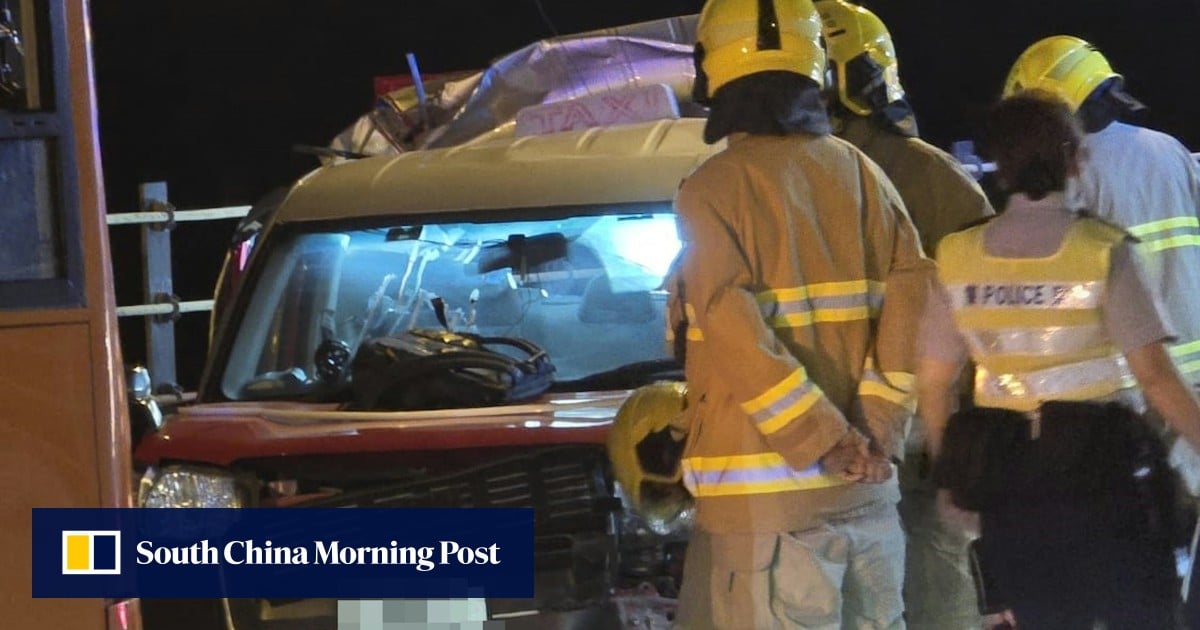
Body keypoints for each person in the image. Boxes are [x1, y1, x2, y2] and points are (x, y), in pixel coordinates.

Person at [667, 0, 934, 627]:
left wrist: (828, 441)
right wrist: (876, 436)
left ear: (714, 70)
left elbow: (732, 328)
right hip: (868, 494)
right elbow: (913, 305)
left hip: (769, 514)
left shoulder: (711, 189)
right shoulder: (866, 175)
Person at [916, 93, 1200, 628]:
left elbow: (933, 384)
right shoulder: (1100, 250)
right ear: (1074, 157)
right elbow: (1155, 377)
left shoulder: (956, 256)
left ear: (999, 165)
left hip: (1006, 485)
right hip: (1103, 478)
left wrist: (954, 479)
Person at [814, 3, 995, 627]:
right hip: (913, 434)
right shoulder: (937, 176)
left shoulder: (803, 176)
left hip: (843, 440)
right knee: (930, 574)